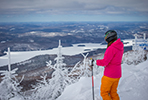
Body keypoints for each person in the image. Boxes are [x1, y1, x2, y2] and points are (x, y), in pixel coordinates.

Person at [96, 30, 124, 100]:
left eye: (106, 37)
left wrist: (95, 62)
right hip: (117, 74)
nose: (105, 39)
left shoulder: (111, 48)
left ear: (109, 38)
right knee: (113, 92)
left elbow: (105, 62)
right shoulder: (119, 46)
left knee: (104, 93)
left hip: (109, 75)